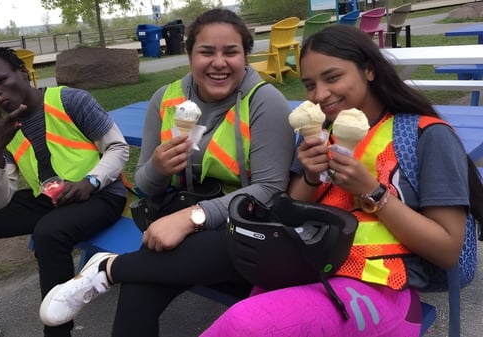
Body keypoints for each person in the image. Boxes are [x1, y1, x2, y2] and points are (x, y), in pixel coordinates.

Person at [200, 24, 476, 336]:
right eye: (309, 85)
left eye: (332, 78)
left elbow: (447, 250)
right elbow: (292, 210)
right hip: (309, 268)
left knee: (242, 324)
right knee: (249, 314)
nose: (320, 95)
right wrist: (309, 175)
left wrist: (373, 193)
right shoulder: (320, 135)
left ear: (368, 70)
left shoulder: (427, 136)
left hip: (384, 289)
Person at [39, 8, 296, 336]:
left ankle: (109, 268)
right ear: (190, 55)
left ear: (245, 56)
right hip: (184, 226)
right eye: (206, 52)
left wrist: (191, 218)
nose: (219, 62)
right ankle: (111, 268)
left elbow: (269, 190)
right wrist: (159, 168)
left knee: (143, 272)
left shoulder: (264, 102)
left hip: (245, 230)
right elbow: (145, 187)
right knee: (141, 285)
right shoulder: (166, 99)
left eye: (231, 52)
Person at [0, 47, 129, 337]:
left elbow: (118, 148)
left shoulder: (69, 100)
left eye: (1, 80)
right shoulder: (7, 128)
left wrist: (90, 182)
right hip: (51, 199)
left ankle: (57, 332)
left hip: (100, 194)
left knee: (48, 232)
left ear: (22, 72)